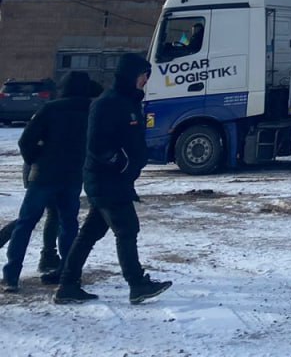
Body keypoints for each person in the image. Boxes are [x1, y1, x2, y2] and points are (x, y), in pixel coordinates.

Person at [55, 54, 171, 305]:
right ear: (131, 75)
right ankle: (136, 284)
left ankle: (67, 285)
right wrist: (121, 163)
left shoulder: (128, 102)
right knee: (127, 229)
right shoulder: (108, 103)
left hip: (115, 181)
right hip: (107, 180)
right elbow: (97, 145)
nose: (146, 80)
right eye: (143, 75)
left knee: (88, 234)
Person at [3, 71, 97, 293]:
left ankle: (12, 275)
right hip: (73, 176)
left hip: (43, 175)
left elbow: (25, 141)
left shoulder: (50, 109)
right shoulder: (91, 112)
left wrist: (36, 158)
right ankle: (67, 271)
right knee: (68, 225)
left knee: (26, 224)